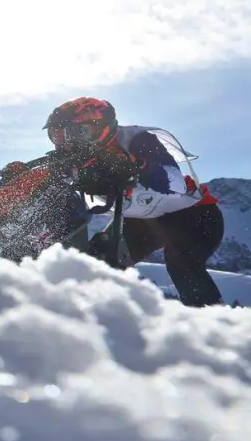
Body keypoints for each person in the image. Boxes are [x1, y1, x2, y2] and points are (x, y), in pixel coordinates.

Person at [43, 97, 223, 307]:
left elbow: (174, 182)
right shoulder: (77, 158)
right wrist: (22, 174)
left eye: (75, 133)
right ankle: (87, 318)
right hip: (142, 222)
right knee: (95, 264)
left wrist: (136, 166)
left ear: (100, 127)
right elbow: (55, 184)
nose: (66, 144)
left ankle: (215, 321)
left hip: (193, 215)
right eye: (56, 136)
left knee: (182, 263)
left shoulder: (139, 140)